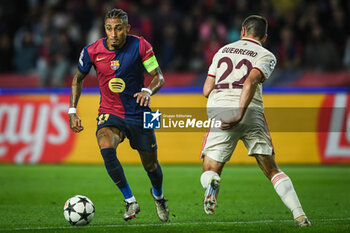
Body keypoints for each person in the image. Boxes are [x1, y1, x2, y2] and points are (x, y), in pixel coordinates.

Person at [200, 15, 311, 227]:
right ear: (264, 36)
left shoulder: (222, 51)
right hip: (251, 111)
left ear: (243, 31)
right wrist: (241, 112)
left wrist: (233, 111)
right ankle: (300, 216)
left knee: (210, 169)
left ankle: (213, 183)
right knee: (272, 170)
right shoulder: (266, 55)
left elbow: (206, 90)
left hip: (221, 111)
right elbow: (251, 79)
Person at [68, 9, 169, 222]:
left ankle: (158, 196)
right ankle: (130, 201)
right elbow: (77, 79)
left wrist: (147, 91)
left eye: (118, 28)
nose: (113, 33)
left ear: (127, 29)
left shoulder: (142, 46)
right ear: (104, 28)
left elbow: (158, 77)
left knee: (151, 165)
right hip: (109, 111)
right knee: (105, 143)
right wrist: (72, 111)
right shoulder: (92, 51)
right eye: (109, 28)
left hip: (140, 113)